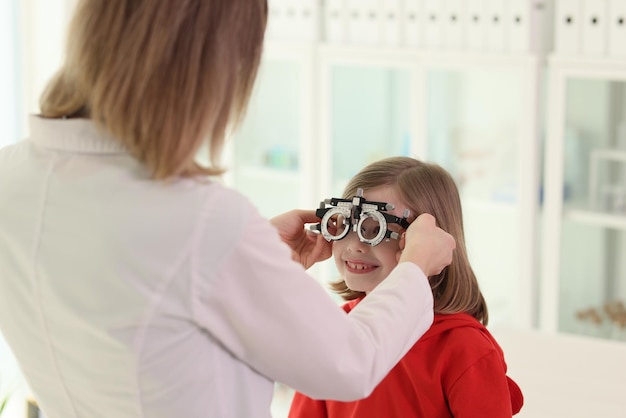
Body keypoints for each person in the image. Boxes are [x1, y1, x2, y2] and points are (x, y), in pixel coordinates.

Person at [0, 2, 456, 418]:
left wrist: (256, 259)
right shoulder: (201, 221)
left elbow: (155, 310)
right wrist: (415, 266)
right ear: (207, 72)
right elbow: (351, 363)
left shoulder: (10, 178)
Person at [289, 156, 524, 418]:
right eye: (345, 224)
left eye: (375, 228)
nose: (355, 245)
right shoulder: (336, 329)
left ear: (431, 243)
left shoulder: (463, 348)